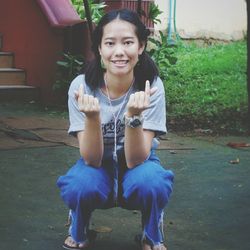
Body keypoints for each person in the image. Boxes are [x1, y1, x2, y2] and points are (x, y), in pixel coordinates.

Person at [57, 8, 174, 250]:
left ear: (141, 46)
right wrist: (92, 117)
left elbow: (135, 160)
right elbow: (90, 158)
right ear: (99, 48)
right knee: (79, 185)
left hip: (139, 162)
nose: (119, 52)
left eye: (128, 42)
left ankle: (151, 232)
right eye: (110, 43)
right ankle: (79, 225)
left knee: (152, 183)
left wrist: (133, 116)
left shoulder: (151, 86)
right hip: (97, 165)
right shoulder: (82, 87)